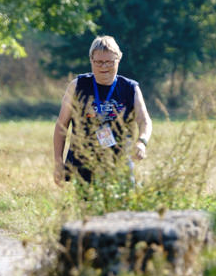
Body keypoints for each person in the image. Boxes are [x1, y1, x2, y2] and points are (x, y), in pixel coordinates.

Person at [53, 35, 152, 186]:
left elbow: (145, 120)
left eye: (109, 62)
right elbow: (61, 126)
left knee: (122, 207)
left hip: (118, 163)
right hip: (83, 163)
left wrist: (142, 141)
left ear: (118, 59)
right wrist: (58, 162)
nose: (104, 66)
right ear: (91, 60)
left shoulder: (130, 88)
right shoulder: (77, 85)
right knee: (87, 207)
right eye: (98, 62)